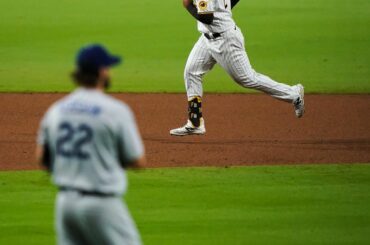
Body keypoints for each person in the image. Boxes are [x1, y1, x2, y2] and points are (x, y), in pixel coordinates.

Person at [36, 44, 145, 245]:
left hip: (64, 204)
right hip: (101, 204)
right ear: (102, 72)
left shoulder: (57, 109)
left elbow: (42, 157)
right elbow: (137, 160)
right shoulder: (115, 110)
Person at [170, 0, 305, 136]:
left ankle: (294, 94)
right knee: (191, 72)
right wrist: (223, 11)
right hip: (207, 38)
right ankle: (195, 122)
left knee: (247, 78)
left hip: (225, 40)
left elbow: (207, 18)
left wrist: (188, 5)